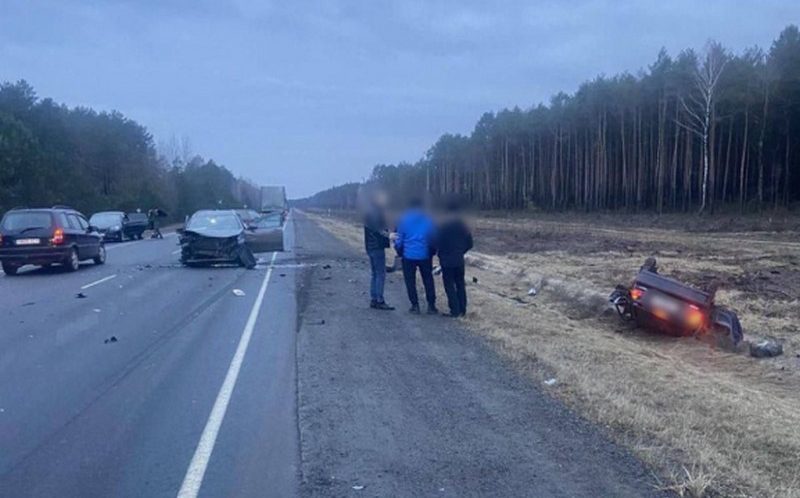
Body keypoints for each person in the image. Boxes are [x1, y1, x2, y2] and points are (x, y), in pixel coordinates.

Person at [395, 198, 438, 314]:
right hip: (425, 254)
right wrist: (433, 250)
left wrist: (398, 249)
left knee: (410, 281)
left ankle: (415, 305)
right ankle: (431, 305)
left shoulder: (403, 219)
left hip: (408, 255)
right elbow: (434, 236)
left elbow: (399, 238)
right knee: (428, 279)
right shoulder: (428, 219)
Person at [436, 199, 473, 317]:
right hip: (459, 259)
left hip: (446, 260)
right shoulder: (463, 226)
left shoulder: (443, 226)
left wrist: (440, 253)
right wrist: (461, 251)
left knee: (449, 285)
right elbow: (470, 243)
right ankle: (462, 309)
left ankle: (454, 310)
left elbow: (437, 242)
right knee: (460, 284)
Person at [363, 191, 394, 310]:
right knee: (380, 273)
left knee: (375, 273)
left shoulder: (368, 212)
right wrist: (389, 235)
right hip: (377, 247)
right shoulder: (376, 212)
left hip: (370, 246)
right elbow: (378, 229)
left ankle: (374, 299)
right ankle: (380, 300)